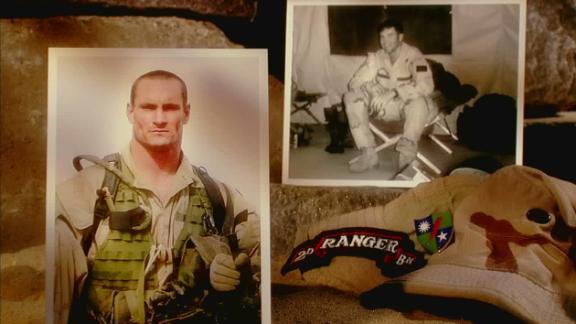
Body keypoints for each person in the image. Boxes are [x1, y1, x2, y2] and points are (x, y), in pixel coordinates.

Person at [54, 70, 261, 323]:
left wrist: (233, 275)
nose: (160, 118)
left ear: (186, 113)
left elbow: (260, 273)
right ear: (130, 112)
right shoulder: (85, 191)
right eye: (148, 107)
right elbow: (56, 302)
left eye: (171, 107)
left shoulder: (219, 197)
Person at [344, 19, 435, 174]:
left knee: (419, 102)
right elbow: (355, 82)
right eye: (382, 37)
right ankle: (369, 154)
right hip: (383, 108)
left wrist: (394, 92)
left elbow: (426, 86)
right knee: (351, 97)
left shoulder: (414, 56)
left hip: (406, 107)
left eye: (390, 36)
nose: (385, 41)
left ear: (400, 37)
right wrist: (370, 86)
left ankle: (406, 159)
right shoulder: (376, 57)